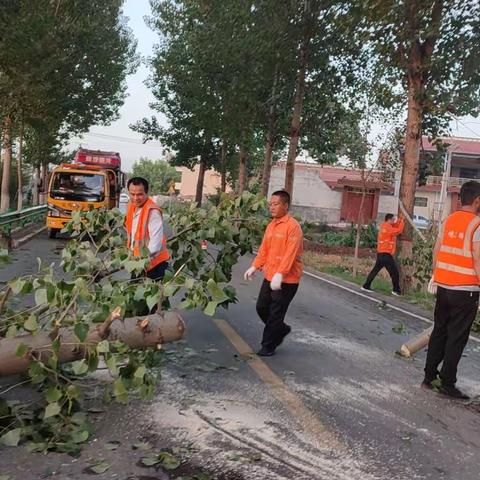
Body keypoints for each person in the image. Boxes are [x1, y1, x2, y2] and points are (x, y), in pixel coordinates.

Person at [422, 180, 480, 400]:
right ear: (477, 201)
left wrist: (435, 276)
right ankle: (447, 383)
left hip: (444, 287)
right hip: (466, 290)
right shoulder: (476, 224)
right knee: (457, 336)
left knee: (440, 331)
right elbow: (477, 259)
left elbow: (437, 250)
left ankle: (429, 377)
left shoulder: (448, 220)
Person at [244, 190, 303, 356]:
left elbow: (290, 253)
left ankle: (268, 347)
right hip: (270, 276)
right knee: (262, 307)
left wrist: (281, 274)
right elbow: (264, 249)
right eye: (270, 204)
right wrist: (255, 266)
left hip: (287, 280)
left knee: (276, 313)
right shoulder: (271, 225)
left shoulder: (293, 227)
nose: (272, 207)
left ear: (286, 205)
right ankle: (281, 329)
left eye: (275, 204)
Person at [125, 177, 170, 280]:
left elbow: (155, 245)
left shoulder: (152, 211)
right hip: (138, 263)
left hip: (153, 266)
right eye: (132, 194)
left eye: (140, 194)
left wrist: (141, 263)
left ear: (146, 193)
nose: (136, 198)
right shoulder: (131, 207)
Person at [362, 213, 405, 295]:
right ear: (389, 219)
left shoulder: (385, 226)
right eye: (393, 219)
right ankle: (396, 290)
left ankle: (366, 285)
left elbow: (395, 226)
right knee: (394, 272)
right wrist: (402, 221)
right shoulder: (387, 227)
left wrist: (400, 219)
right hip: (386, 254)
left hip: (381, 253)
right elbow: (398, 230)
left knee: (375, 270)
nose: (394, 221)